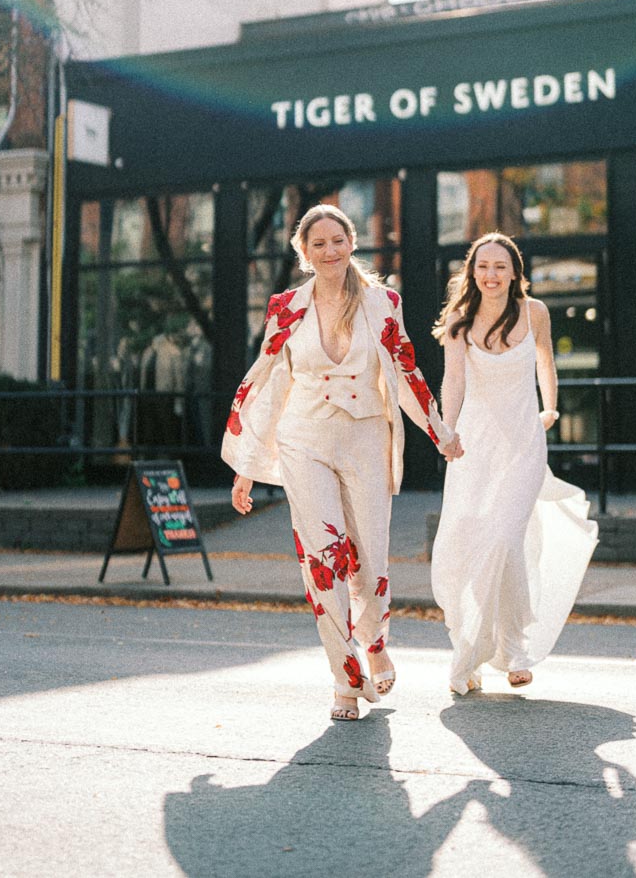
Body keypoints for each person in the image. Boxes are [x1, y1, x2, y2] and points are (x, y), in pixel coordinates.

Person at [223, 203, 463, 722]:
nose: (329, 251)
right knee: (324, 559)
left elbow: (406, 373)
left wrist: (439, 432)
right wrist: (247, 463)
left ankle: (374, 642)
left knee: (369, 560)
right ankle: (344, 680)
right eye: (318, 244)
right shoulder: (286, 306)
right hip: (304, 439)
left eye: (338, 240)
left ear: (352, 243)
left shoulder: (383, 303)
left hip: (365, 439)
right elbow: (268, 380)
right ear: (304, 253)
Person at [430, 232, 598, 695]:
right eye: (483, 266)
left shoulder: (535, 312)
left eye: (500, 266)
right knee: (475, 545)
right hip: (475, 447)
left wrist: (551, 407)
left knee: (505, 538)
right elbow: (454, 383)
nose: (491, 275)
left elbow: (547, 362)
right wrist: (448, 431)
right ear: (472, 271)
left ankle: (515, 648)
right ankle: (474, 647)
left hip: (524, 442)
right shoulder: (460, 321)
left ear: (514, 272)